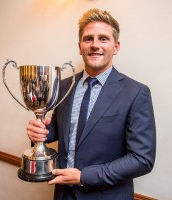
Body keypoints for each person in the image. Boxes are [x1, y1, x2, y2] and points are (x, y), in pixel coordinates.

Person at [26, 8, 156, 200]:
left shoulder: (136, 93)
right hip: (63, 194)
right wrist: (39, 133)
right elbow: (57, 130)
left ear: (116, 46)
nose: (95, 45)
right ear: (80, 46)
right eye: (88, 39)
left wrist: (83, 177)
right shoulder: (63, 86)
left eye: (103, 38)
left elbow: (142, 159)